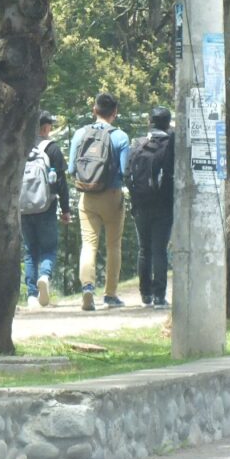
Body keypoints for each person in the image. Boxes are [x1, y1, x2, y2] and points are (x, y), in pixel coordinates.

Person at [68, 92, 131, 312]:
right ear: (115, 113)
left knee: (89, 244)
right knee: (113, 245)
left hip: (87, 197)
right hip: (112, 196)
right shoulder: (121, 137)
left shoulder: (80, 134)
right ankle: (110, 294)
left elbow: (71, 169)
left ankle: (87, 287)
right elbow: (125, 171)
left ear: (94, 110)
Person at [21, 111, 71, 309]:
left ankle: (32, 295)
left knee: (29, 250)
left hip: (24, 209)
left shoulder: (22, 148)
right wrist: (66, 209)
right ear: (45, 127)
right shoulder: (52, 149)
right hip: (47, 206)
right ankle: (45, 275)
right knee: (48, 248)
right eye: (50, 125)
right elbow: (61, 182)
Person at [128, 107, 175, 309]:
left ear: (150, 122)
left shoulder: (138, 144)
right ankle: (159, 296)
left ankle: (145, 294)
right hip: (163, 204)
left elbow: (127, 173)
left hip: (140, 204)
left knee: (144, 250)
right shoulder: (170, 144)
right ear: (167, 123)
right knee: (159, 251)